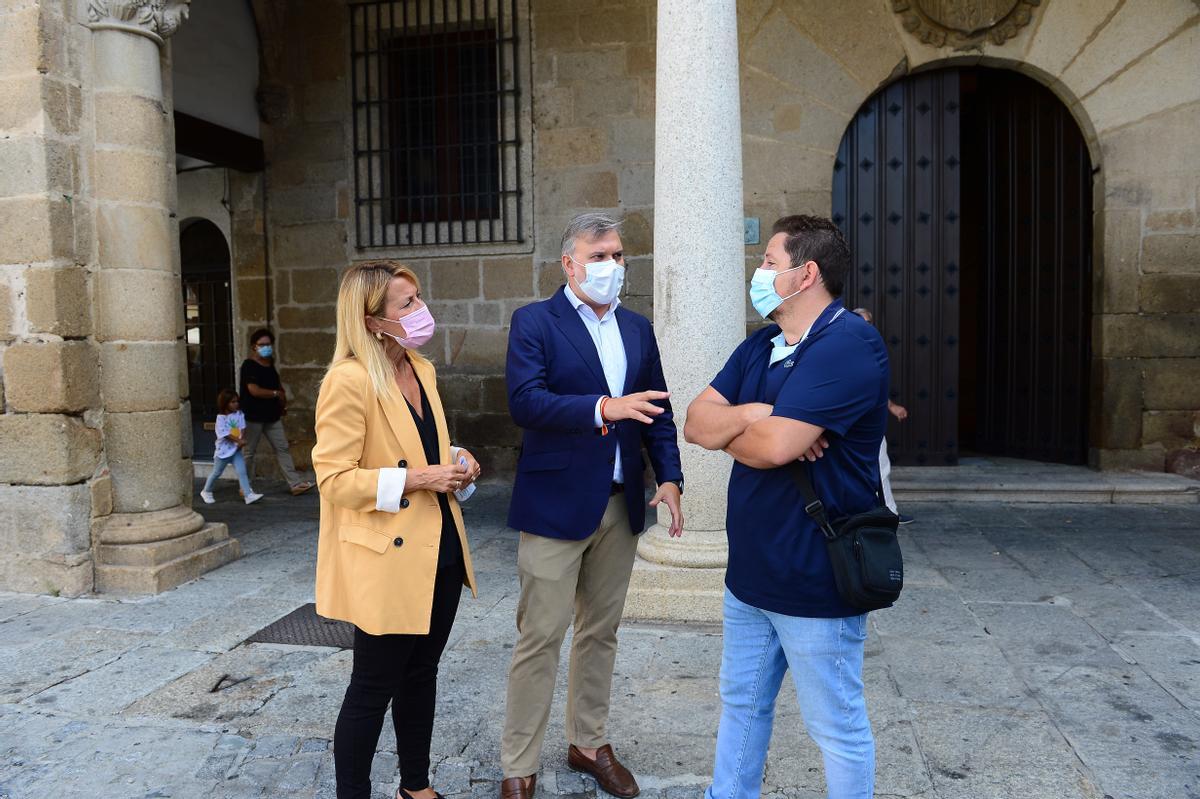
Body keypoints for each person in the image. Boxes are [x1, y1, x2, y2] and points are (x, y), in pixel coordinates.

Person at [685, 215, 889, 799]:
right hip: (750, 573)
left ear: (807, 273)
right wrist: (755, 415)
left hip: (817, 575)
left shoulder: (848, 344)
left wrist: (748, 430)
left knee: (835, 726)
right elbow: (695, 424)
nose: (759, 272)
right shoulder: (761, 345)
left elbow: (775, 449)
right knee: (741, 706)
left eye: (770, 262)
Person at [499, 213, 685, 799]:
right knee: (540, 635)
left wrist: (671, 477)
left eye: (618, 255)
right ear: (569, 263)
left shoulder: (637, 328)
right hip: (555, 504)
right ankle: (518, 765)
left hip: (620, 503)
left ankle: (588, 742)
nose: (612, 265)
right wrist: (603, 408)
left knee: (600, 632)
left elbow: (656, 410)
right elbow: (526, 402)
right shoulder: (535, 322)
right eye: (599, 255)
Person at [312, 261, 482, 799]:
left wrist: (457, 458)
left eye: (418, 298)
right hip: (388, 556)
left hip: (441, 546)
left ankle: (416, 786)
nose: (421, 310)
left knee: (422, 674)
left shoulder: (420, 367)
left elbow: (423, 446)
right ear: (371, 320)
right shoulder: (348, 380)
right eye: (407, 304)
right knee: (372, 687)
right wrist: (419, 478)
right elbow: (335, 480)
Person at [851, 308, 913, 525]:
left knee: (879, 465)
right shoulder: (852, 350)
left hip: (865, 419)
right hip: (856, 421)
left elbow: (872, 387)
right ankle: (888, 514)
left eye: (869, 322)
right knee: (879, 464)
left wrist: (892, 406)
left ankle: (886, 511)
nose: (867, 326)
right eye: (863, 322)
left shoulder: (865, 349)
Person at [239, 328, 315, 496]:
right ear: (254, 346)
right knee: (249, 452)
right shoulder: (249, 366)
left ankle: (295, 484)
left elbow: (278, 386)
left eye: (269, 344)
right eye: (262, 344)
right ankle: (244, 486)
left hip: (272, 416)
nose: (266, 347)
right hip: (253, 416)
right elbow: (253, 390)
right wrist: (275, 394)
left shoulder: (270, 364)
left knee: (282, 448)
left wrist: (282, 403)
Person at [199, 389, 263, 505]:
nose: (236, 404)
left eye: (237, 401)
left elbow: (242, 427)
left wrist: (241, 440)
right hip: (223, 452)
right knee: (216, 472)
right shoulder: (221, 418)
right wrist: (238, 440)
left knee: (242, 471)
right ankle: (206, 491)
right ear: (225, 403)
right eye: (232, 402)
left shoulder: (239, 414)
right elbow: (224, 434)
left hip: (236, 451)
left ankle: (248, 495)